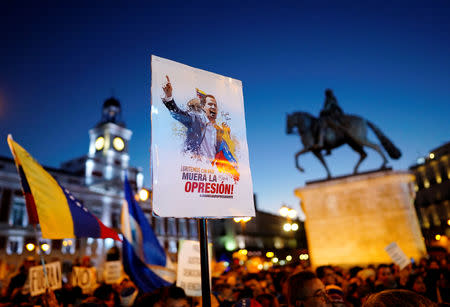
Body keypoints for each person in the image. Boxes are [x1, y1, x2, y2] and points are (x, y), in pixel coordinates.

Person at [162, 75, 222, 161]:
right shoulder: (196, 120)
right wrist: (169, 98)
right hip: (193, 168)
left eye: (215, 105)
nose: (213, 107)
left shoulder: (219, 131)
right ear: (203, 107)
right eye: (210, 104)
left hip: (211, 172)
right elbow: (177, 113)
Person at [316, 89, 347, 154]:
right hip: (334, 115)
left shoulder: (330, 99)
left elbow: (327, 108)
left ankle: (320, 143)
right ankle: (328, 148)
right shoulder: (332, 99)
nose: (326, 95)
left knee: (322, 126)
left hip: (333, 115)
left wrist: (322, 111)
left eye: (327, 93)